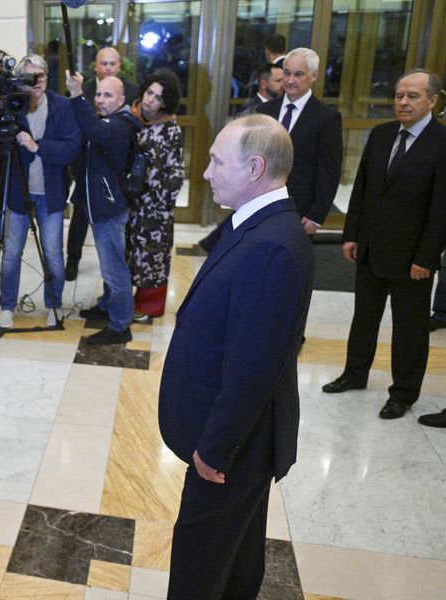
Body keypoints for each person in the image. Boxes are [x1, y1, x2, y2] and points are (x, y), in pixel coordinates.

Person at [159, 114, 313, 598]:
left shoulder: (273, 247)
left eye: (215, 161)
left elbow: (254, 367)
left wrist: (215, 449)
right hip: (232, 443)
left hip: (229, 450)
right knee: (236, 553)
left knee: (200, 564)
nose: (204, 173)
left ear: (255, 168)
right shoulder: (256, 225)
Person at [323, 70, 446, 424]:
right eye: (399, 95)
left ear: (433, 101)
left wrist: (426, 257)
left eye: (413, 96)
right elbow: (361, 190)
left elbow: (441, 209)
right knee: (364, 317)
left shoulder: (441, 143)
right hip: (371, 248)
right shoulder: (380, 135)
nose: (403, 102)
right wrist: (351, 235)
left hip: (413, 259)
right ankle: (354, 373)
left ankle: (404, 392)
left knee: (409, 329)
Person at [198, 47, 343, 252]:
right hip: (256, 203)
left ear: (314, 75)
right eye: (287, 73)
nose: (290, 80)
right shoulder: (264, 111)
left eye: (298, 74)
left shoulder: (326, 118)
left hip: (298, 210)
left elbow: (329, 171)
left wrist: (316, 215)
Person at [0, 54, 80, 329]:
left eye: (42, 77)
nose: (36, 83)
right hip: (17, 193)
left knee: (54, 256)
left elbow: (72, 148)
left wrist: (38, 146)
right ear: (20, 80)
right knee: (11, 254)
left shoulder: (61, 105)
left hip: (51, 194)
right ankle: (8, 306)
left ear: (48, 78)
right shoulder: (12, 105)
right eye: (30, 78)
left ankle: (54, 305)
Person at [66, 71, 139, 345]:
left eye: (107, 95)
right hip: (102, 205)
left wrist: (76, 96)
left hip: (109, 209)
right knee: (110, 263)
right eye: (97, 94)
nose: (100, 100)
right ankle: (107, 306)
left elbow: (97, 133)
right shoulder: (110, 120)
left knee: (114, 269)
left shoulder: (120, 125)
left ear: (122, 99)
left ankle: (120, 325)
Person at [67, 47, 138, 280]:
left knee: (112, 251)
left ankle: (117, 309)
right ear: (95, 66)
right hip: (86, 165)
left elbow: (109, 131)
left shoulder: (129, 95)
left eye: (112, 63)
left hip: (112, 176)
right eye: (103, 63)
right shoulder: (85, 87)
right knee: (80, 218)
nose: (108, 67)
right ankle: (73, 261)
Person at [127, 70, 186, 323]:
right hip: (130, 202)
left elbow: (176, 171)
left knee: (153, 256)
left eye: (158, 97)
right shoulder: (130, 118)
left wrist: (159, 200)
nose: (150, 100)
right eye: (149, 92)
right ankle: (123, 298)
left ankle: (149, 306)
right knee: (130, 252)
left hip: (154, 207)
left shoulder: (171, 130)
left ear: (166, 102)